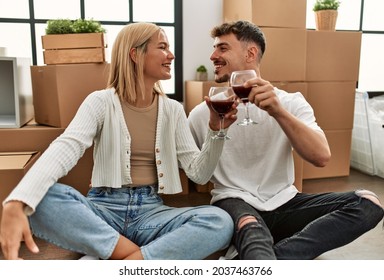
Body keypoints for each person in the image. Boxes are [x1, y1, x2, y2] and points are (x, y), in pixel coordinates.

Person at [0, 22, 237, 260]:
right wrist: (18, 200)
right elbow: (68, 145)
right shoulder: (100, 102)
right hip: (101, 212)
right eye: (163, 47)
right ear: (135, 54)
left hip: (150, 215)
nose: (171, 55)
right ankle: (138, 259)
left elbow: (199, 174)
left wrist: (217, 132)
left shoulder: (173, 110)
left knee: (220, 222)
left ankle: (118, 256)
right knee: (39, 196)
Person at [188, 20, 384, 260]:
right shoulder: (203, 113)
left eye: (222, 48)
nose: (213, 55)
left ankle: (266, 261)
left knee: (368, 203)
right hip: (235, 202)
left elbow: (321, 157)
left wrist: (278, 112)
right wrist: (214, 129)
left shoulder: (291, 103)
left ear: (251, 53)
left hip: (286, 202)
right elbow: (197, 174)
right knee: (253, 231)